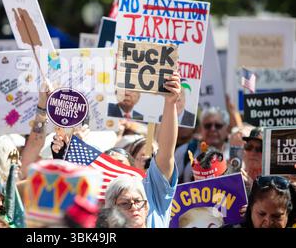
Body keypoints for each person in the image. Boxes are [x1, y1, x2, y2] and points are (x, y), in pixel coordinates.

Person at [91, 72, 182, 228]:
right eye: (125, 204)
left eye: (138, 202)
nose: (134, 208)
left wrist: (170, 103)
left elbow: (166, 153)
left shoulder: (154, 198)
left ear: (147, 207)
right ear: (112, 211)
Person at [174, 106, 230, 183]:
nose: (213, 129)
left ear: (227, 129)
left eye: (218, 125)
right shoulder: (185, 151)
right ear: (200, 129)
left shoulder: (234, 153)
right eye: (208, 126)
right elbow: (169, 183)